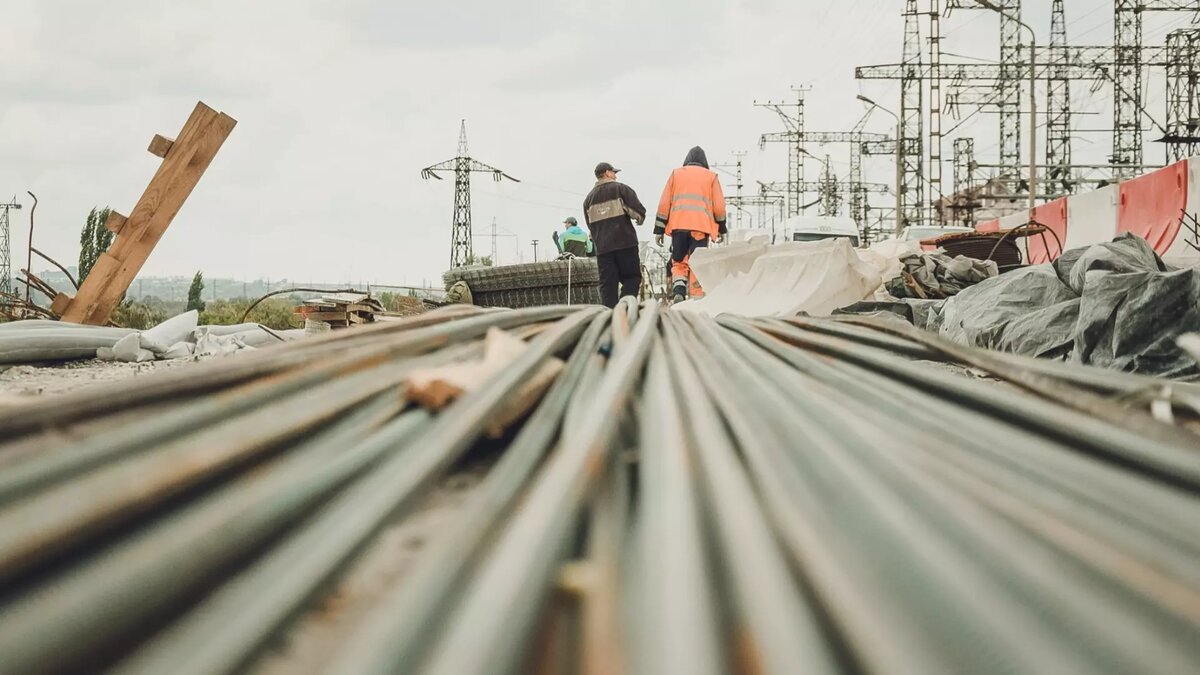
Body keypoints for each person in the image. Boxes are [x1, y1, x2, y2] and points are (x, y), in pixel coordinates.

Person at [654, 146, 727, 303]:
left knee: (679, 261)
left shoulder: (676, 174)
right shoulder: (711, 177)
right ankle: (696, 298)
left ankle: (679, 290)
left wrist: (659, 229)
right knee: (698, 262)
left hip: (678, 227)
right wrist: (721, 227)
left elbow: (664, 203)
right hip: (700, 228)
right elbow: (719, 206)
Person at [583, 162, 647, 308]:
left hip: (603, 249)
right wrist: (640, 219)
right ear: (607, 173)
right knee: (632, 278)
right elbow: (638, 212)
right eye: (614, 172)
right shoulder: (620, 189)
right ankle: (624, 309)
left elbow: (590, 225)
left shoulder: (588, 200)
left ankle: (609, 317)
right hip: (625, 243)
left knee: (608, 285)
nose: (616, 175)